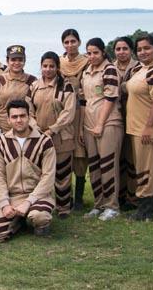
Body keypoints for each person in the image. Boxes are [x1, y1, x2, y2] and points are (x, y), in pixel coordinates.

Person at [0, 100, 56, 241]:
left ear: (29, 117)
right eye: (14, 117)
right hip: (13, 196)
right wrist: (5, 204)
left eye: (22, 116)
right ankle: (19, 221)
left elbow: (48, 177)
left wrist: (28, 202)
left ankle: (36, 221)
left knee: (39, 217)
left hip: (38, 195)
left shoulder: (44, 141)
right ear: (8, 120)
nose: (19, 120)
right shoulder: (2, 142)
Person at [126, 33, 153, 220]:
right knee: (151, 168)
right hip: (137, 127)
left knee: (145, 169)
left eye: (147, 48)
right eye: (139, 49)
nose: (142, 52)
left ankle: (146, 209)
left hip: (148, 129)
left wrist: (148, 127)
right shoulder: (144, 68)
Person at [26, 51, 76, 217]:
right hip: (38, 137)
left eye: (51, 66)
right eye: (45, 66)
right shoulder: (34, 86)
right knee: (41, 174)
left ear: (57, 67)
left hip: (61, 137)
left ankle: (64, 207)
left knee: (62, 174)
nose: (48, 69)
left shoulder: (66, 87)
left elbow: (68, 113)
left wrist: (52, 130)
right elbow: (29, 110)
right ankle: (43, 205)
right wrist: (35, 128)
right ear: (41, 67)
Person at [80, 38, 123, 221]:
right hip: (89, 125)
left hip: (108, 124)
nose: (92, 56)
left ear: (103, 52)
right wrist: (84, 128)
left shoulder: (109, 69)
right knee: (95, 167)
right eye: (89, 53)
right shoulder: (86, 71)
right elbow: (84, 101)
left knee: (108, 165)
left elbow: (110, 98)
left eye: (95, 52)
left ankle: (112, 206)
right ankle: (98, 205)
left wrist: (100, 124)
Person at [59, 29, 90, 211]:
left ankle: (78, 199)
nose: (70, 45)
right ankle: (64, 197)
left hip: (81, 110)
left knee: (80, 153)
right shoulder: (59, 62)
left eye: (73, 41)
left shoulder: (86, 61)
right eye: (66, 42)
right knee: (63, 155)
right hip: (63, 110)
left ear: (79, 42)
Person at [0, 44, 37, 140]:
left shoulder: (33, 81)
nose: (17, 63)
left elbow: (36, 107)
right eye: (13, 60)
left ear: (24, 61)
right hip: (3, 131)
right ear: (7, 61)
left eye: (20, 60)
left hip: (26, 132)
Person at [113, 36, 139, 209]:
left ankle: (134, 197)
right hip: (115, 117)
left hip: (133, 117)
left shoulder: (138, 67)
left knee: (132, 159)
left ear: (131, 50)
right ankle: (119, 196)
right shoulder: (110, 67)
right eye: (118, 49)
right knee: (118, 158)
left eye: (125, 48)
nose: (121, 52)